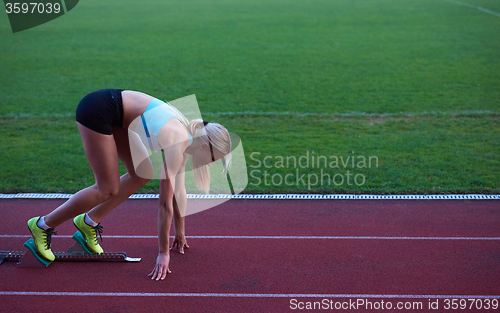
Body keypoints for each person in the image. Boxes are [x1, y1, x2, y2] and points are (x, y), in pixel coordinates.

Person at [26, 89, 232, 280]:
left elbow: (179, 192)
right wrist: (163, 253)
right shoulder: (179, 142)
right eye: (214, 159)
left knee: (141, 175)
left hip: (118, 116)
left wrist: (180, 232)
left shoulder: (188, 140)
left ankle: (88, 222)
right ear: (205, 146)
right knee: (106, 189)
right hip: (99, 110)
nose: (212, 164)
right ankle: (42, 225)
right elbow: (164, 204)